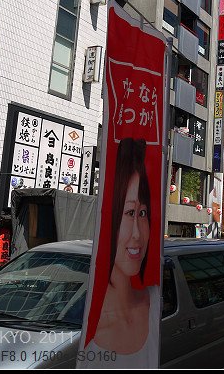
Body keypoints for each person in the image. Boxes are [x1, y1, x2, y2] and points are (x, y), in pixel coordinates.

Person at [88, 138, 159, 366]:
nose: (137, 233)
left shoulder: (157, 303)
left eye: (142, 213)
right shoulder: (89, 328)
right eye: (130, 213)